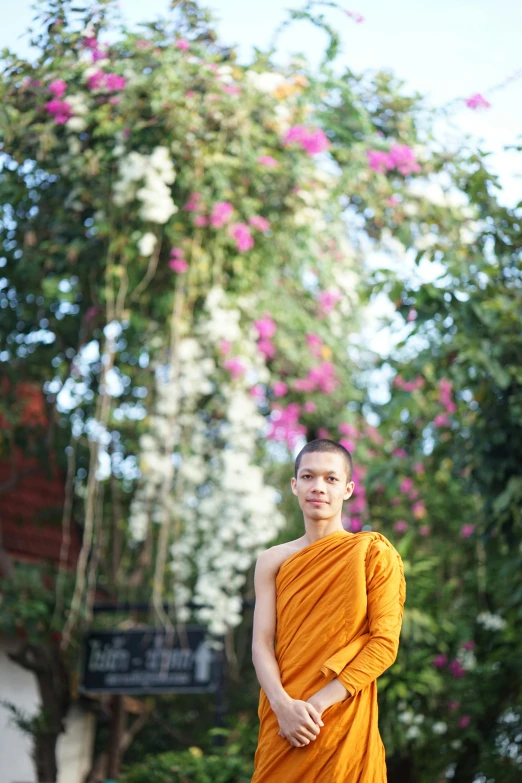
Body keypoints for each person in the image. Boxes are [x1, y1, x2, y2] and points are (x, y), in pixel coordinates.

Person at [251, 438, 406, 782]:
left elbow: (384, 643)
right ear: (294, 485)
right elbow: (262, 643)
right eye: (308, 477)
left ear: (348, 489)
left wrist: (315, 707)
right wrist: (283, 707)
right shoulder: (272, 561)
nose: (318, 487)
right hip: (283, 720)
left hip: (341, 717)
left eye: (331, 479)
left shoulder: (371, 553)